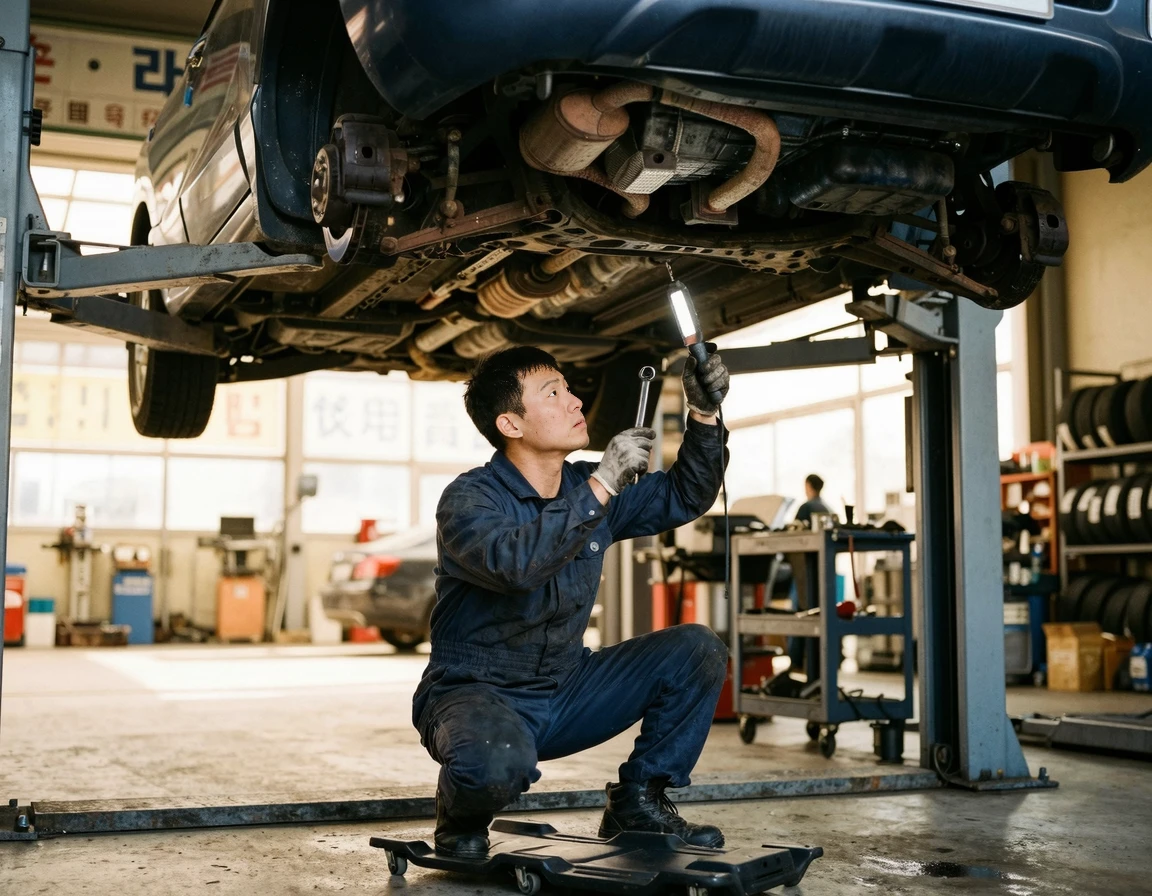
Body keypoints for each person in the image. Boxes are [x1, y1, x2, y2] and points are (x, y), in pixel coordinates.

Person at [413, 344, 731, 858]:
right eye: (553, 393)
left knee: (696, 648)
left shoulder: (588, 486)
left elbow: (684, 495)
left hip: (567, 687)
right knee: (495, 763)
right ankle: (461, 816)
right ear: (511, 424)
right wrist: (603, 483)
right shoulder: (470, 499)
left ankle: (638, 801)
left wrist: (703, 413)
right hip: (476, 694)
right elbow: (514, 565)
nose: (575, 401)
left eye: (568, 387)